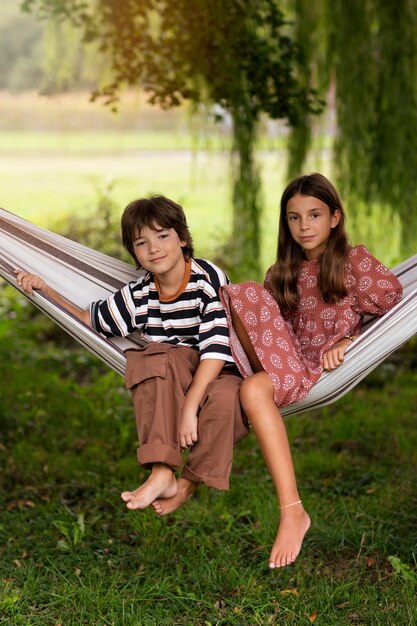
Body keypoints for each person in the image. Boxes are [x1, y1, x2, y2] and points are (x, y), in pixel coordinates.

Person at [15, 195, 248, 513]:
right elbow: (88, 320)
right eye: (142, 242)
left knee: (227, 400)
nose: (154, 248)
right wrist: (46, 290)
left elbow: (217, 350)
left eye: (163, 236)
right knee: (156, 357)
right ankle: (162, 470)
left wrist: (189, 408)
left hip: (222, 367)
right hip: (173, 373)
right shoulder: (139, 295)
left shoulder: (207, 282)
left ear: (182, 239)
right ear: (135, 253)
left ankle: (185, 485)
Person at [219, 173, 403, 570]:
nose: (304, 226)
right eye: (294, 218)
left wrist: (349, 342)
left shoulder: (353, 263)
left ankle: (292, 512)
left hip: (313, 368)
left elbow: (393, 304)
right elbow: (271, 325)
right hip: (282, 358)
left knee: (251, 392)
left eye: (315, 215)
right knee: (242, 292)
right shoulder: (281, 272)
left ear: (335, 218)